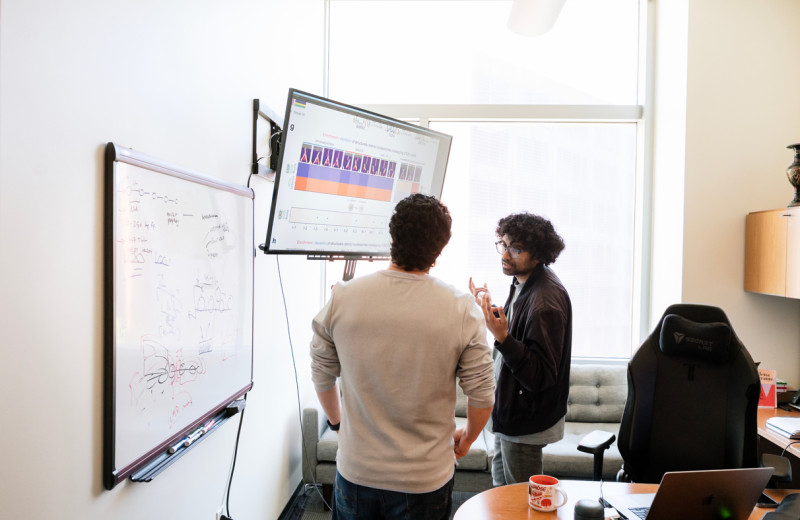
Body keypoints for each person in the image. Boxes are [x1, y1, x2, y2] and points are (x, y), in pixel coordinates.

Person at [310, 193, 495, 520]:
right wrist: (465, 441)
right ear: (438, 250)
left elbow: (322, 375)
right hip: (424, 479)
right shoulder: (461, 308)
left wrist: (339, 424)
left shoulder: (343, 297)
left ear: (392, 236)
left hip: (356, 471)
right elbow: (483, 398)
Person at [469, 212, 572, 486]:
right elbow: (519, 333)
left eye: (515, 249)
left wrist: (502, 338)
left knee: (519, 501)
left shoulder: (545, 302)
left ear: (538, 254)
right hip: (510, 413)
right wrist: (488, 310)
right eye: (503, 244)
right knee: (500, 494)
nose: (505, 254)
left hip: (525, 420)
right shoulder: (525, 281)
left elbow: (540, 374)